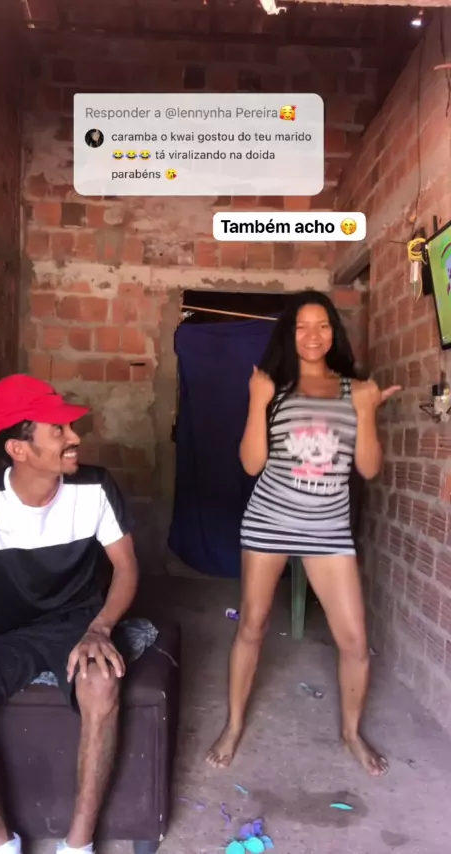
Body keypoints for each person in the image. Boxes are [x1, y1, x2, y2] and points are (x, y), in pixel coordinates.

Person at [206, 290, 400, 777]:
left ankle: (351, 733)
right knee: (251, 626)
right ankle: (233, 725)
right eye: (302, 326)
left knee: (354, 640)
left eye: (323, 325)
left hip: (328, 529)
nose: (313, 336)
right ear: (288, 334)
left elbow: (369, 469)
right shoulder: (274, 387)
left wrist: (368, 411)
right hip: (269, 520)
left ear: (334, 332)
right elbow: (251, 464)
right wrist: (258, 401)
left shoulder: (356, 389)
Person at [0, 375, 140, 854]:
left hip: (79, 625)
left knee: (101, 682)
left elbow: (127, 567)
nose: (75, 437)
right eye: (58, 430)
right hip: (9, 635)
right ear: (19, 449)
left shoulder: (95, 487)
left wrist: (100, 627)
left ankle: (78, 843)